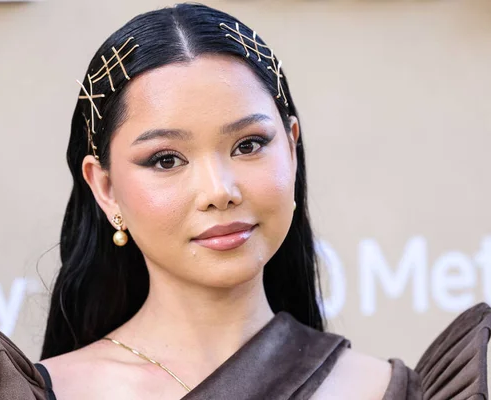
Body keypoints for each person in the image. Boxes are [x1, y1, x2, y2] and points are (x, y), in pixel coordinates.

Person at [35, 3, 490, 399]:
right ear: (106, 188)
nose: (219, 192)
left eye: (249, 145)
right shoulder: (38, 392)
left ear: (291, 150)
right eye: (166, 159)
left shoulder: (390, 390)